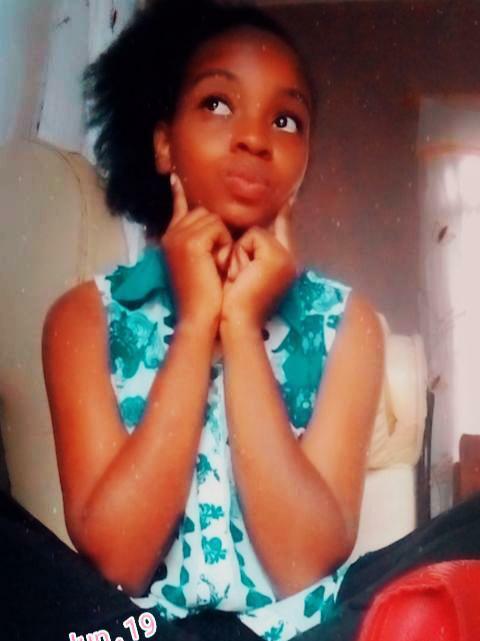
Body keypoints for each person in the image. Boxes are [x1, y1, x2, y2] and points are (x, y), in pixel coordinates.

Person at [9, 0, 476, 640]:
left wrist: (241, 329)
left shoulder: (349, 323)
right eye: (218, 104)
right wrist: (195, 323)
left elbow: (302, 565)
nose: (256, 137)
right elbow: (118, 560)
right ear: (164, 143)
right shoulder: (84, 318)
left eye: (286, 120)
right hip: (135, 630)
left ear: (302, 165)